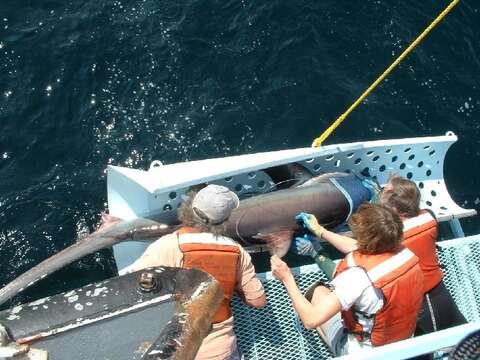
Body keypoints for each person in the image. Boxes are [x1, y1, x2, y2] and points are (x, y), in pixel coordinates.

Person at [297, 174, 466, 334]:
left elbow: (354, 248)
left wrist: (319, 239)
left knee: (426, 346)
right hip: (440, 295)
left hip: (421, 307)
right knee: (468, 341)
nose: (380, 195)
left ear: (392, 208)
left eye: (384, 192)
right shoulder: (428, 216)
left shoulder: (386, 245)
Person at [129, 184, 266, 360]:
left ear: (189, 208)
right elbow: (258, 301)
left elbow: (133, 288)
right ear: (225, 221)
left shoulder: (167, 246)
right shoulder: (237, 251)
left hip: (176, 351)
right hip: (221, 351)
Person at [271, 203, 424, 356]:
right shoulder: (406, 254)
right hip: (402, 341)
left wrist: (287, 278)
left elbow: (311, 320)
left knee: (317, 292)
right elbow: (357, 247)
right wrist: (321, 231)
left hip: (365, 353)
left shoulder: (357, 277)